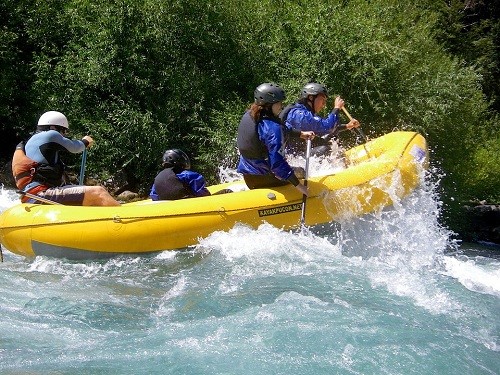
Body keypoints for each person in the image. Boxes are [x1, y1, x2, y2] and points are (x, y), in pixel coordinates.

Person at [12, 110, 120, 206]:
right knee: (99, 192)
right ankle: (121, 219)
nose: (64, 135)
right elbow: (75, 147)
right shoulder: (51, 135)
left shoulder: (31, 142)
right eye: (63, 131)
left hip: (32, 194)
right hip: (41, 193)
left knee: (88, 192)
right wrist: (85, 141)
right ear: (53, 127)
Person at [236, 82, 314, 196]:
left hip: (249, 178)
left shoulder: (250, 115)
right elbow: (277, 163)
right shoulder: (273, 128)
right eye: (279, 103)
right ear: (268, 105)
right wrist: (300, 186)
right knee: (301, 171)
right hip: (267, 179)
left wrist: (300, 134)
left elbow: (272, 131)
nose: (281, 106)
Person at [279, 82, 360, 156]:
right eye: (322, 100)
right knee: (325, 149)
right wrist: (337, 108)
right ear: (311, 97)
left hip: (299, 153)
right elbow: (327, 127)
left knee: (330, 138)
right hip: (292, 159)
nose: (324, 104)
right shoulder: (301, 115)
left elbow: (324, 129)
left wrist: (347, 126)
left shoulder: (304, 112)